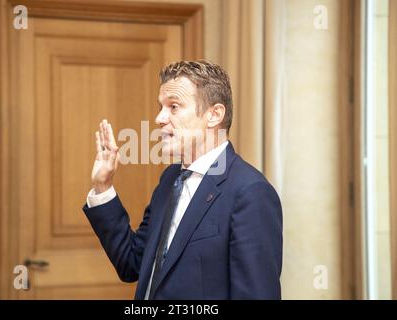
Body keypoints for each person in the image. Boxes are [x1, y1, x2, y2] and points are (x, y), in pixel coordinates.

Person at [82, 60, 283, 299]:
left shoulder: (251, 192)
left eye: (173, 107)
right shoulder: (170, 179)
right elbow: (132, 264)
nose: (159, 118)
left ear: (214, 114)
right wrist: (102, 186)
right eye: (161, 107)